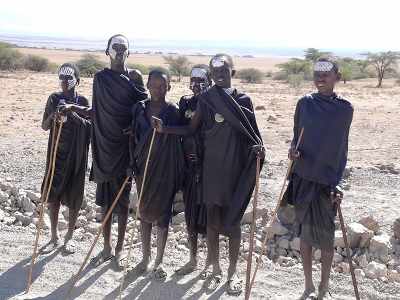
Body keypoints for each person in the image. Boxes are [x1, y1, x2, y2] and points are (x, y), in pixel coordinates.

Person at [153, 54, 264, 295]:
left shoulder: (243, 100)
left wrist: (258, 150)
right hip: (211, 169)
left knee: (233, 224)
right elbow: (191, 130)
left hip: (234, 170)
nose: (220, 75)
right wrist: (166, 129)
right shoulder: (206, 99)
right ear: (211, 76)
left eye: (224, 70)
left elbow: (252, 135)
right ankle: (215, 269)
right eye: (215, 72)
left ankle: (233, 274)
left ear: (233, 72)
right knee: (212, 222)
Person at [69, 34, 147, 269]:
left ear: (129, 52)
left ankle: (120, 249)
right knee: (105, 203)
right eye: (116, 48)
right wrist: (76, 108)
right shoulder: (101, 78)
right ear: (108, 52)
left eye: (124, 48)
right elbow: (98, 111)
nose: (120, 51)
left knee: (122, 201)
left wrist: (134, 126)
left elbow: (144, 106)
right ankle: (106, 247)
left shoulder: (134, 76)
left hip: (125, 148)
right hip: (103, 148)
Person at [285, 57, 353, 299]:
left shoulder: (345, 109)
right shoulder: (304, 103)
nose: (320, 79)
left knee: (325, 238)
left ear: (337, 76)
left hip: (327, 182)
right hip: (303, 176)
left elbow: (342, 149)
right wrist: (293, 151)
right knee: (305, 235)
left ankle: (324, 285)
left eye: (326, 75)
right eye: (316, 74)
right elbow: (296, 137)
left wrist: (339, 182)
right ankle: (308, 285)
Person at [129, 69, 184, 280]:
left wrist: (165, 129)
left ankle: (159, 260)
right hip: (142, 168)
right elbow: (132, 137)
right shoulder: (139, 108)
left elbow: (182, 136)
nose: (158, 89)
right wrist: (131, 163)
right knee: (143, 212)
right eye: (154, 85)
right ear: (148, 85)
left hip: (164, 170)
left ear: (169, 87)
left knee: (162, 216)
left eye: (163, 86)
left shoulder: (173, 111)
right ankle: (145, 258)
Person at [40, 63, 91, 254]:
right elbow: (44, 126)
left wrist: (72, 112)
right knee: (53, 195)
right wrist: (54, 115)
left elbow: (90, 126)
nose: (63, 82)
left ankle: (69, 236)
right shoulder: (54, 99)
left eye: (68, 78)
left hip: (76, 155)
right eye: (61, 78)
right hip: (56, 154)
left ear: (77, 81)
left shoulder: (83, 101)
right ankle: (54, 236)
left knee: (75, 195)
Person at [175, 64, 212, 276]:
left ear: (209, 81)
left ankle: (209, 263)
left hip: (209, 169)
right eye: (193, 80)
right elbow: (182, 130)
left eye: (201, 79)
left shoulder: (215, 104)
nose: (196, 84)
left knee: (207, 216)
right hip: (189, 167)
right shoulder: (185, 102)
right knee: (190, 214)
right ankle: (192, 259)